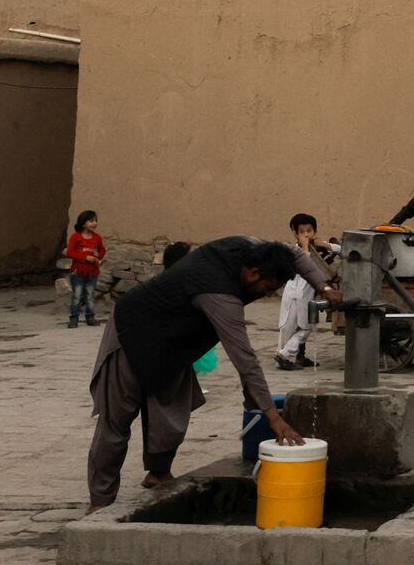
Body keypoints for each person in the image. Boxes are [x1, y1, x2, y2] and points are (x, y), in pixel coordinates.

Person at [85, 236, 343, 511]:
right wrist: (273, 417)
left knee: (170, 420)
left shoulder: (249, 247)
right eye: (269, 288)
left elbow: (293, 253)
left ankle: (158, 473)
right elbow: (245, 361)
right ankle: (101, 500)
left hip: (175, 342)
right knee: (116, 424)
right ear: (252, 273)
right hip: (132, 332)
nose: (269, 294)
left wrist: (324, 287)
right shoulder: (219, 295)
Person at [276, 213, 340, 372]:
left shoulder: (319, 249)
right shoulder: (294, 250)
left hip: (307, 295)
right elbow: (305, 264)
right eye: (302, 232)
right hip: (294, 294)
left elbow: (344, 251)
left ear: (315, 231)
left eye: (309, 231)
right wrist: (305, 247)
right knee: (291, 327)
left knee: (304, 325)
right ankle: (284, 355)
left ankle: (297, 356)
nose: (306, 234)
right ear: (295, 234)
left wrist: (326, 245)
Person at [66, 211, 106, 328]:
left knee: (89, 295)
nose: (95, 223)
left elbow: (102, 251)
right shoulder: (76, 237)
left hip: (92, 272)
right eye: (91, 221)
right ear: (83, 224)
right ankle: (74, 319)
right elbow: (70, 252)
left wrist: (98, 255)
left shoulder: (97, 238)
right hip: (78, 272)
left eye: (95, 220)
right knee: (77, 296)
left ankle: (90, 317)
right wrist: (85, 257)